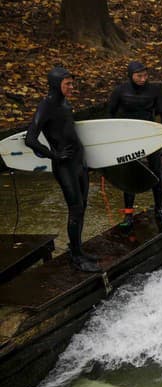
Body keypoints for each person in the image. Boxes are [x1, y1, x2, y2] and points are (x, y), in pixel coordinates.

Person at [24, 67, 99, 273]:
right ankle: (75, 257)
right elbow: (30, 139)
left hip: (79, 161)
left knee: (82, 206)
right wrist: (54, 155)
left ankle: (78, 249)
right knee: (75, 209)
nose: (72, 87)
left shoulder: (66, 103)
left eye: (72, 83)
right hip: (64, 165)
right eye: (68, 84)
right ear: (56, 85)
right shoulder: (46, 106)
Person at [108, 60, 162, 228]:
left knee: (156, 171)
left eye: (145, 75)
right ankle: (128, 214)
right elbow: (110, 114)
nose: (143, 79)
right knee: (129, 173)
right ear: (131, 76)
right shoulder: (120, 91)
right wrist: (114, 137)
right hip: (128, 136)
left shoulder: (154, 90)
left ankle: (159, 209)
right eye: (139, 76)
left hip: (149, 134)